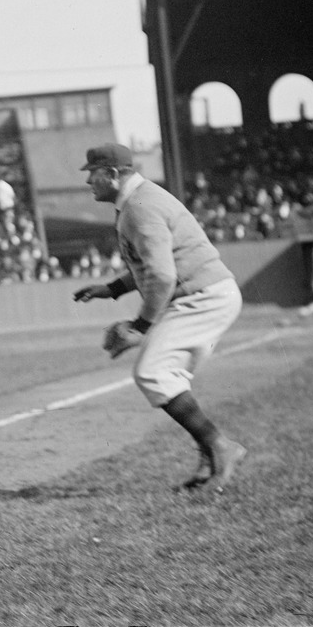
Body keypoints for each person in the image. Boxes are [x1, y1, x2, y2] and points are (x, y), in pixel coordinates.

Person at [72, 143, 246, 493]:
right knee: (170, 378)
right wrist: (113, 288)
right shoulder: (139, 200)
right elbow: (153, 267)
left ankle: (220, 446)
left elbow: (163, 276)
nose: (89, 180)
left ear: (114, 174)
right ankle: (210, 456)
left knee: (152, 372)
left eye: (94, 173)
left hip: (203, 297)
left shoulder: (139, 207)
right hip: (207, 294)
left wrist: (139, 328)